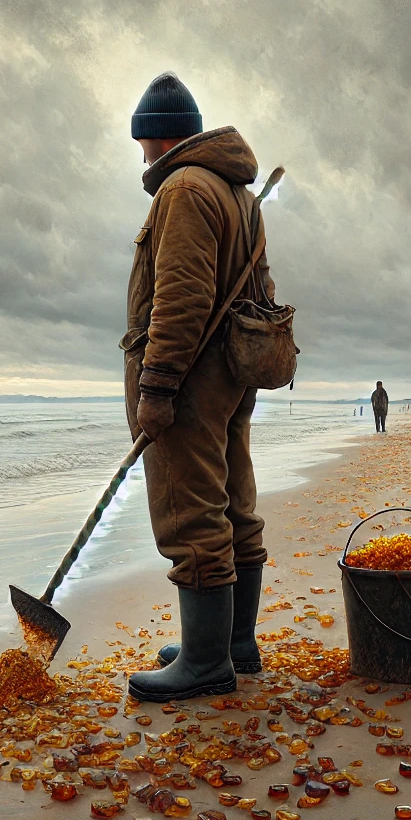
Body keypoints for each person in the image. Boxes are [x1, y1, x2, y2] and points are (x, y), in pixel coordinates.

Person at [121, 72, 275, 702]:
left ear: (155, 139)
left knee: (191, 513)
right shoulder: (238, 192)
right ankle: (233, 644)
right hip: (233, 374)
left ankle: (207, 662)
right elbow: (260, 291)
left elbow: (181, 299)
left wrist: (156, 386)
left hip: (191, 377)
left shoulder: (184, 188)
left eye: (141, 144)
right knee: (234, 500)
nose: (142, 158)